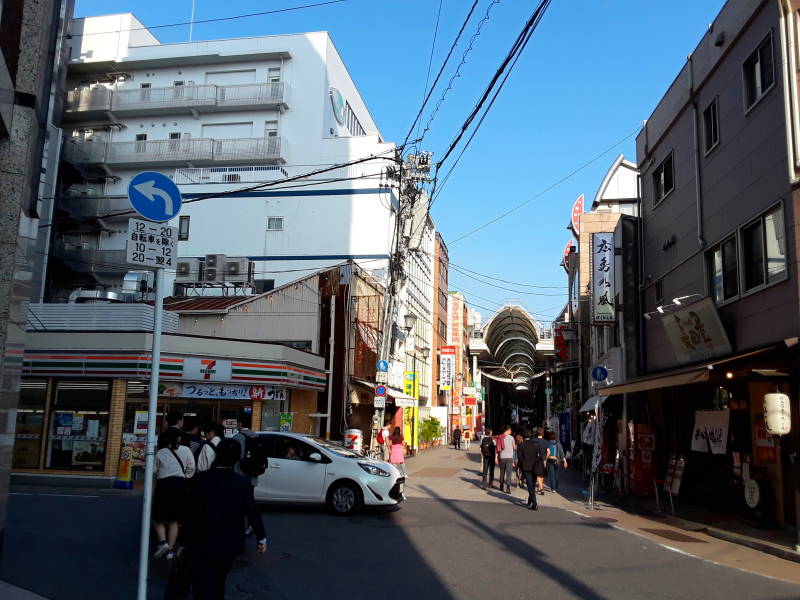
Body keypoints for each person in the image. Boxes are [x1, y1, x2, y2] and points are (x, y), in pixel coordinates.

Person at [187, 438, 266, 600]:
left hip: (200, 540)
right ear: (237, 458)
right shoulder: (242, 483)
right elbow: (252, 511)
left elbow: (189, 511)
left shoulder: (199, 480)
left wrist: (183, 540)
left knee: (201, 580)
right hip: (228, 542)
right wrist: (261, 537)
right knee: (218, 580)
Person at [152, 428, 196, 560]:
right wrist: (185, 476)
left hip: (163, 485)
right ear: (178, 438)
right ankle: (170, 550)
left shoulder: (160, 453)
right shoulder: (186, 450)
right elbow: (192, 467)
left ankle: (162, 542)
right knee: (174, 520)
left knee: (158, 517)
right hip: (179, 485)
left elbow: (153, 469)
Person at [516, 430, 545, 510]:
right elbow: (540, 456)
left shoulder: (521, 445)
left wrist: (521, 467)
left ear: (524, 436)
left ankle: (534, 503)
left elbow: (520, 458)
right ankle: (530, 500)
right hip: (535, 467)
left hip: (526, 467)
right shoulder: (536, 444)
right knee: (532, 484)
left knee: (530, 485)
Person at [495, 425, 516, 494]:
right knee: (509, 473)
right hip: (509, 458)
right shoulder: (511, 438)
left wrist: (496, 458)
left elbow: (497, 449)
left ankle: (501, 486)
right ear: (508, 430)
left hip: (502, 457)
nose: (511, 431)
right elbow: (514, 448)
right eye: (510, 430)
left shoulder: (500, 437)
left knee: (502, 472)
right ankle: (508, 488)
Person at [533, 427, 548, 495]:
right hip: (544, 459)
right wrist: (546, 458)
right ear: (543, 434)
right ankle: (539, 489)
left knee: (538, 474)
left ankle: (541, 488)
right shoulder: (546, 441)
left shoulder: (534, 440)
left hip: (536, 459)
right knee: (542, 475)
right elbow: (548, 451)